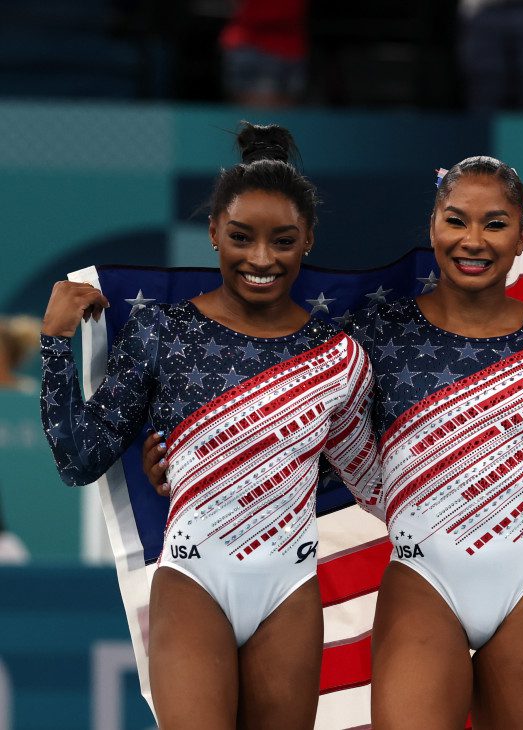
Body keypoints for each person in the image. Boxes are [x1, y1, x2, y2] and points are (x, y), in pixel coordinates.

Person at [41, 122, 381, 728]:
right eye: (241, 237)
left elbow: (355, 474)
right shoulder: (161, 332)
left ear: (308, 240)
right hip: (195, 579)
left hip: (290, 590)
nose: (260, 258)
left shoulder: (339, 352)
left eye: (282, 241)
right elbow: (78, 460)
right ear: (213, 235)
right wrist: (53, 344)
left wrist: (232, 461)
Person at [352, 157, 523, 730]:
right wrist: (191, 461)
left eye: (494, 224)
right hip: (423, 579)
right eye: (456, 220)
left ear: (521, 234)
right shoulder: (376, 335)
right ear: (432, 226)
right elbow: (309, 431)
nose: (473, 241)